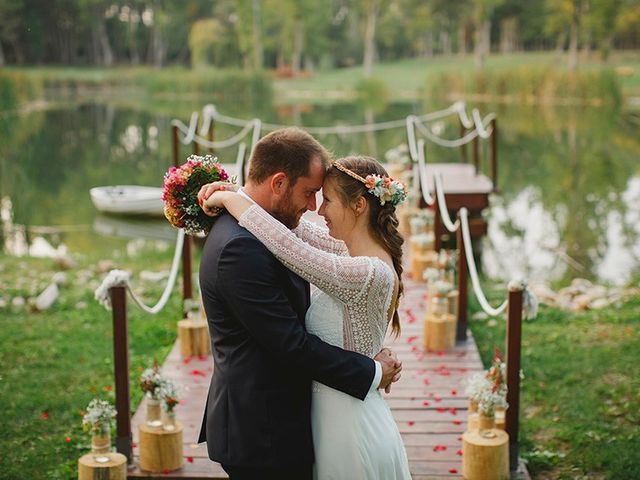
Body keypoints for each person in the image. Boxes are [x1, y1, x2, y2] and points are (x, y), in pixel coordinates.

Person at [196, 127, 403, 480]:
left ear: (359, 204)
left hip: (319, 424)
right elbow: (291, 344)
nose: (314, 208)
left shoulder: (356, 263)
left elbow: (295, 247)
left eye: (324, 199)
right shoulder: (239, 247)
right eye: (310, 194)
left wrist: (233, 197)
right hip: (263, 432)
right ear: (278, 184)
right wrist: (371, 372)